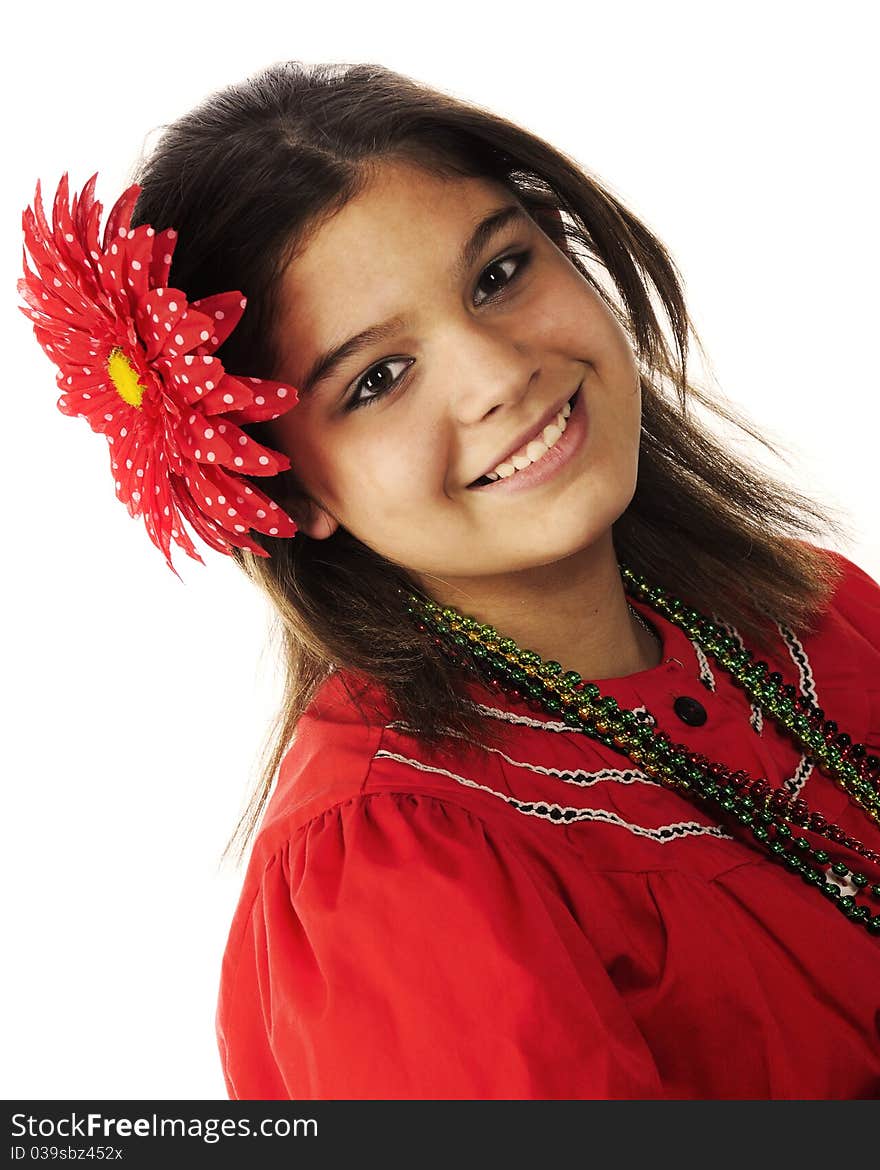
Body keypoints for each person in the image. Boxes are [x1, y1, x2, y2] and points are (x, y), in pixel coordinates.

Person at [20, 60, 880, 1101]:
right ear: (287, 491)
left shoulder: (812, 612)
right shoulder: (393, 869)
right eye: (378, 378)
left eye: (498, 274)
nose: (496, 373)